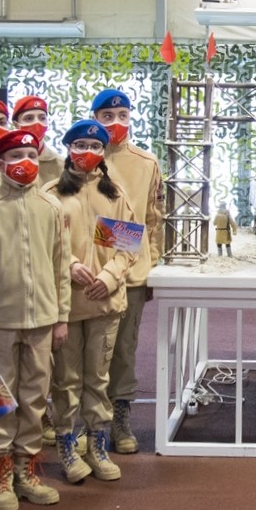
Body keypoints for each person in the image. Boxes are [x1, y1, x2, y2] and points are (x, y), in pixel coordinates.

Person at [0, 129, 72, 510]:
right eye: (14, 156)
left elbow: (60, 266)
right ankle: (1, 472)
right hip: (0, 321)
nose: (24, 162)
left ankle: (27, 470)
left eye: (29, 154)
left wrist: (61, 316)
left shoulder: (51, 206)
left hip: (42, 318)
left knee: (35, 396)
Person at [48, 120, 137, 483]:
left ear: (103, 152)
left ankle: (98, 446)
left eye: (95, 146)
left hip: (105, 302)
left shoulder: (113, 195)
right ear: (69, 149)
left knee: (98, 378)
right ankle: (68, 446)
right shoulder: (52, 195)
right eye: (81, 145)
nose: (88, 152)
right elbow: (44, 245)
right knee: (66, 380)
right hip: (66, 304)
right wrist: (70, 265)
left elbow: (126, 248)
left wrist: (109, 277)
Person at [93, 88, 164, 455]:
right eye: (107, 117)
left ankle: (119, 417)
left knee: (123, 348)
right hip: (88, 272)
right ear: (94, 118)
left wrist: (153, 264)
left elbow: (154, 218)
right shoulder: (81, 158)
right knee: (85, 350)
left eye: (122, 115)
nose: (116, 123)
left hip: (131, 271)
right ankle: (88, 419)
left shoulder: (146, 162)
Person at [11, 94, 65, 187]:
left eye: (42, 118)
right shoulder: (6, 161)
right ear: (16, 125)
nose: (37, 123)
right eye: (29, 118)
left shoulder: (61, 164)